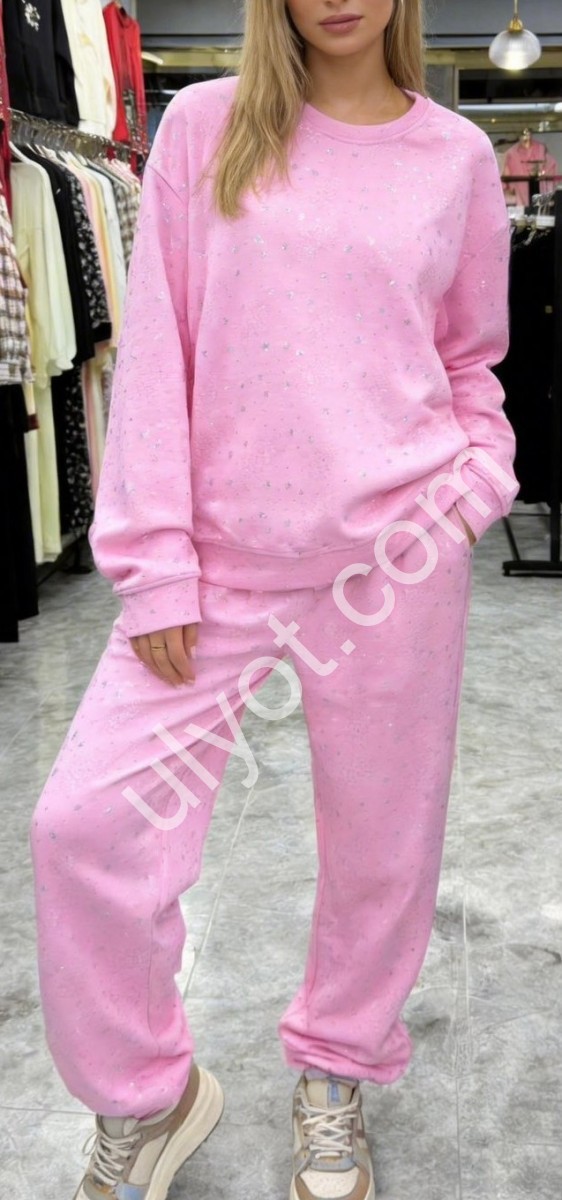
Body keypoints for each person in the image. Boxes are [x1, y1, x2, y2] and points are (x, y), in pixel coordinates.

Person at [31, 2, 518, 1199]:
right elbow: (158, 350)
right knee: (86, 827)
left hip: (396, 555)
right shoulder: (208, 127)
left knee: (381, 846)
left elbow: (469, 356)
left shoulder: (454, 156)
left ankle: (336, 1070)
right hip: (220, 560)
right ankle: (148, 1094)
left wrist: (473, 484)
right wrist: (155, 561)